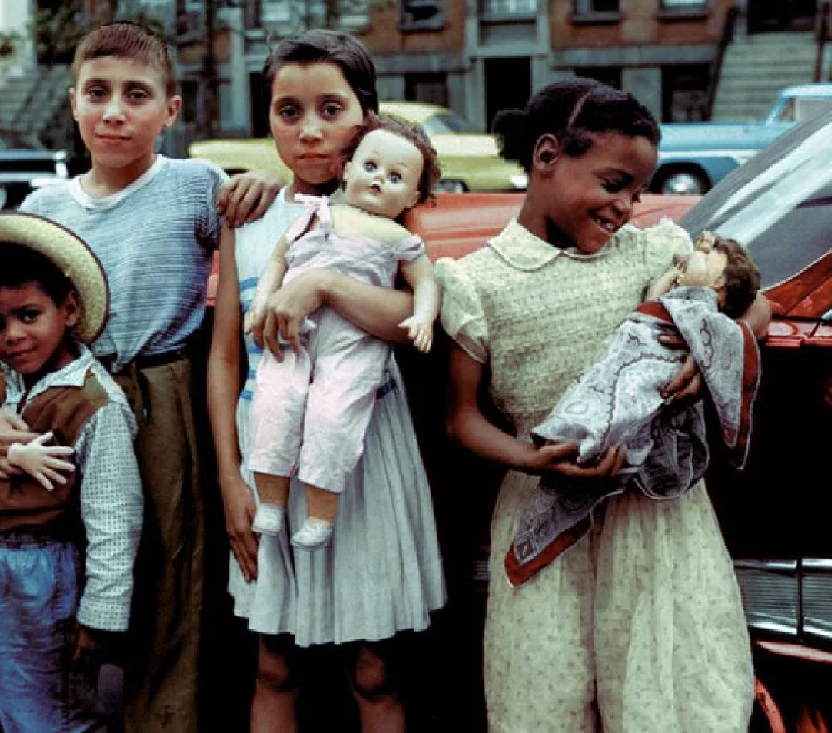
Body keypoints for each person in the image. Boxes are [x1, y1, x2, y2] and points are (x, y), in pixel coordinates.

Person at [0, 20, 282, 733]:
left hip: (164, 396)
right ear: (73, 101)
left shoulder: (197, 186)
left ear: (170, 110)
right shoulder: (45, 207)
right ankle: (51, 701)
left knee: (169, 563)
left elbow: (271, 234)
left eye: (136, 95)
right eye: (98, 93)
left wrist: (264, 183)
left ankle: (164, 717)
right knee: (59, 546)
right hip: (65, 397)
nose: (114, 111)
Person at [437, 78, 772, 733]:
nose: (626, 206)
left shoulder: (660, 253)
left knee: (669, 700)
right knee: (547, 701)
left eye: (636, 191)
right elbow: (462, 418)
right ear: (546, 157)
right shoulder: (478, 282)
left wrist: (708, 356)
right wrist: (535, 459)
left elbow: (758, 307)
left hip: (656, 523)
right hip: (544, 510)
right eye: (613, 183)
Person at [207, 29, 446, 732]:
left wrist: (326, 284)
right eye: (289, 111)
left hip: (364, 451)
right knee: (272, 662)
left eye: (331, 108)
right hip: (268, 451)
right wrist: (229, 476)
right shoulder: (249, 217)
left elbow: (413, 319)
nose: (310, 130)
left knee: (375, 668)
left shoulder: (395, 205)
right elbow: (225, 356)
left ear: (366, 117)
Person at [0, 211, 142, 733]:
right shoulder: (14, 377)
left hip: (41, 571)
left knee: (47, 707)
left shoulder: (96, 404)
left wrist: (101, 617)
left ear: (68, 309)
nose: (13, 336)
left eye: (28, 315)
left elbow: (115, 519)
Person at [510, 231, 763, 584]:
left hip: (650, 369)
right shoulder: (674, 277)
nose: (692, 254)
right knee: (604, 395)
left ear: (718, 282)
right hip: (619, 360)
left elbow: (739, 321)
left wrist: (705, 352)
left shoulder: (696, 304)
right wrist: (678, 273)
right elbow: (654, 298)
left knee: (633, 402)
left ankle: (591, 441)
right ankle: (576, 435)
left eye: (704, 256)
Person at [246, 112, 441, 549]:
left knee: (333, 419)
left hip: (353, 346)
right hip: (294, 336)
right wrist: (261, 302)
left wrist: (424, 316)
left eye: (395, 177)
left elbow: (425, 281)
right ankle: (272, 502)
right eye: (370, 167)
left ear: (412, 195)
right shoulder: (317, 213)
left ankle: (320, 512)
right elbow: (278, 260)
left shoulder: (397, 237)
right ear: (347, 168)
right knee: (275, 406)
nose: (378, 180)